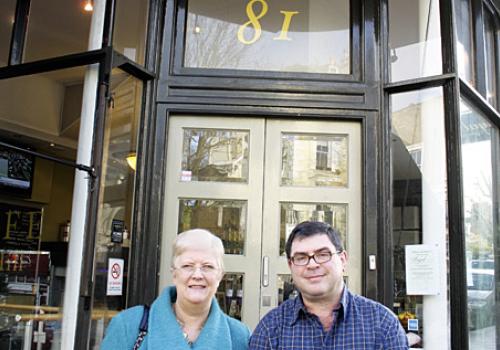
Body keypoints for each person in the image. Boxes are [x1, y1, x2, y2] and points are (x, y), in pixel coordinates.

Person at [249, 221, 408, 349]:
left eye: (322, 255)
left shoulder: (383, 325)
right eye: (301, 257)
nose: (312, 265)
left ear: (343, 259)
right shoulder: (270, 329)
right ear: (291, 266)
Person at [101, 229, 250, 349]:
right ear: (174, 274)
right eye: (187, 266)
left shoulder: (240, 336)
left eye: (208, 267)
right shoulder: (128, 326)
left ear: (220, 276)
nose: (197, 275)